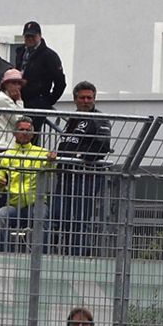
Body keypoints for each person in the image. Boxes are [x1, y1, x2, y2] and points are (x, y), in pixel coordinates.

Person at [55, 81, 112, 254]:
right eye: (82, 98)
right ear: (75, 99)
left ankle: (79, 255)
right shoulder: (73, 118)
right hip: (65, 174)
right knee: (60, 216)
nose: (86, 101)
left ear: (94, 99)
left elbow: (102, 147)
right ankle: (63, 252)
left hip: (86, 176)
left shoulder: (99, 119)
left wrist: (79, 158)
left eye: (89, 98)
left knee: (80, 218)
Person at [0, 115, 55, 251]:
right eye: (21, 129)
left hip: (36, 203)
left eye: (28, 130)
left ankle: (41, 255)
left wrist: (52, 161)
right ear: (14, 133)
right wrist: (0, 184)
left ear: (33, 134)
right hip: (13, 205)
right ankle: (2, 254)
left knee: (41, 216)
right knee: (0, 216)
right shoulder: (5, 156)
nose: (25, 133)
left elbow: (51, 171)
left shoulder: (42, 153)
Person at [14, 21, 65, 130]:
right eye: (27, 36)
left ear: (40, 36)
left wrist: (47, 101)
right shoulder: (20, 51)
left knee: (31, 135)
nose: (30, 38)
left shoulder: (49, 56)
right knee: (18, 134)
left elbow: (60, 82)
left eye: (33, 36)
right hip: (20, 101)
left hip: (37, 104)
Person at [0, 68, 25, 153]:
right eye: (13, 83)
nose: (17, 86)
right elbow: (18, 121)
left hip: (1, 144)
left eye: (19, 83)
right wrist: (19, 101)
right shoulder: (3, 99)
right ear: (5, 84)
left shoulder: (6, 98)